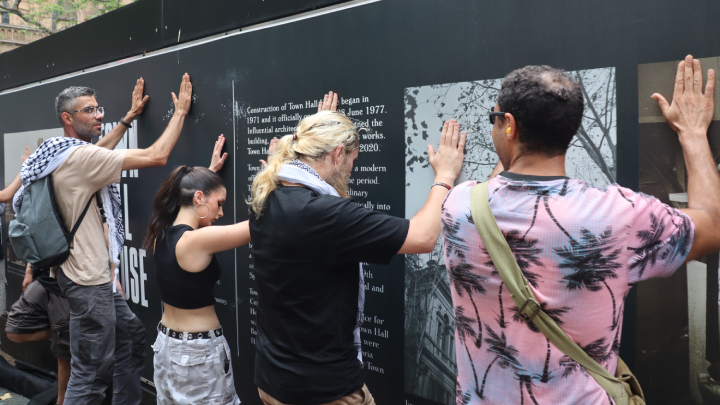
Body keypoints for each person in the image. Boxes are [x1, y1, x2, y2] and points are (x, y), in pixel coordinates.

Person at [440, 57, 720, 404]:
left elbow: (501, 191)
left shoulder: (458, 205)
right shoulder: (615, 216)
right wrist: (693, 133)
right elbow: (712, 223)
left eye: (495, 118)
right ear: (570, 129)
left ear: (509, 126)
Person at [248, 92, 465, 405]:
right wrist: (444, 176)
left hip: (272, 381)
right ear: (337, 153)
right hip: (323, 391)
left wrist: (323, 126)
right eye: (351, 160)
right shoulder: (323, 213)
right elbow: (423, 237)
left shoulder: (267, 196)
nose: (351, 169)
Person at [11, 73, 195, 405]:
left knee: (131, 338)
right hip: (89, 282)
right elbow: (157, 156)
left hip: (80, 277)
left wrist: (125, 120)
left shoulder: (59, 154)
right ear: (68, 118)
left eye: (99, 108)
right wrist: (180, 112)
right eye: (89, 110)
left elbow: (98, 154)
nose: (99, 115)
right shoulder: (79, 157)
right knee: (91, 373)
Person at [143, 133, 246, 405]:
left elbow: (189, 205)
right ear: (198, 197)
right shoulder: (196, 241)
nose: (221, 213)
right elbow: (256, 227)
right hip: (197, 353)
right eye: (219, 204)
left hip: (166, 346)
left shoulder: (161, 231)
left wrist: (208, 175)